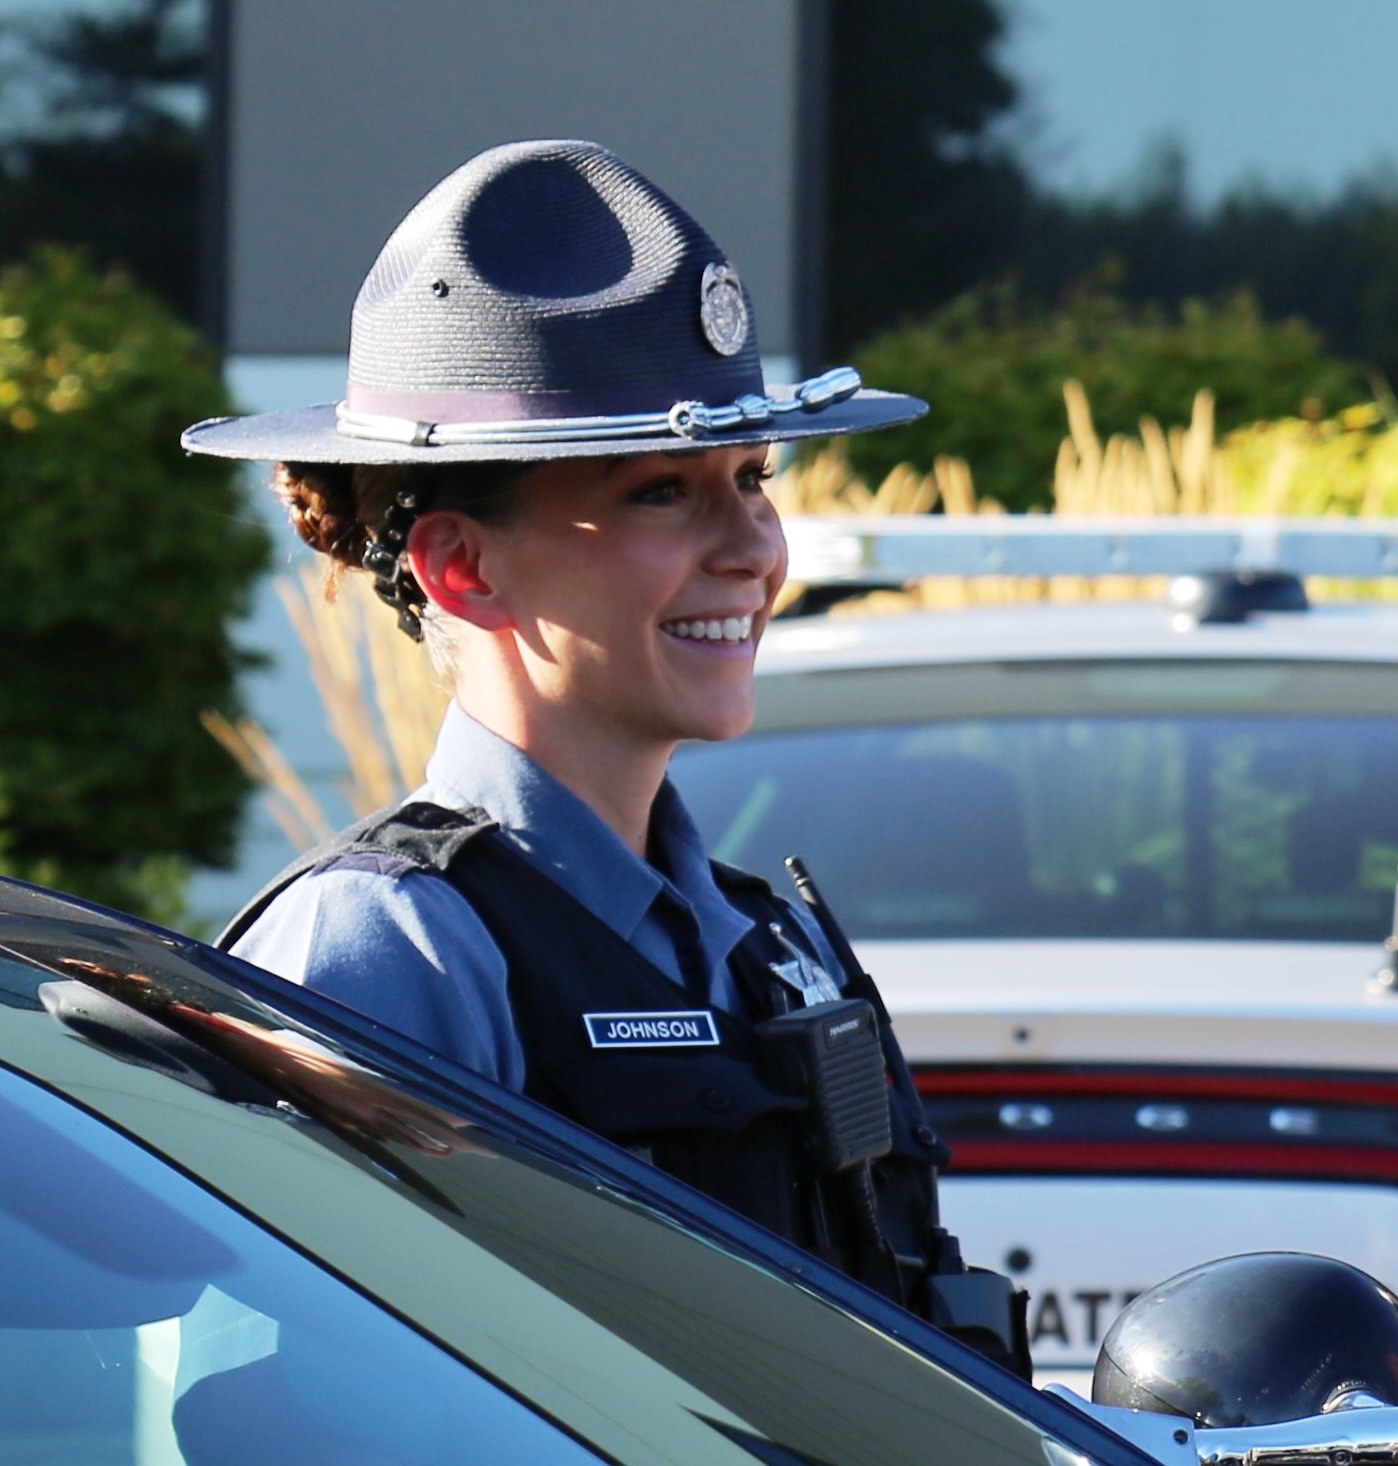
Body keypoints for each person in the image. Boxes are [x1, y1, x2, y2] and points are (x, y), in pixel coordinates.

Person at [183, 139, 1026, 1372]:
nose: (753, 546)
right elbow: (271, 1406)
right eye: (661, 492)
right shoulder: (386, 952)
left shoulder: (769, 948)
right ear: (462, 566)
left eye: (754, 476)